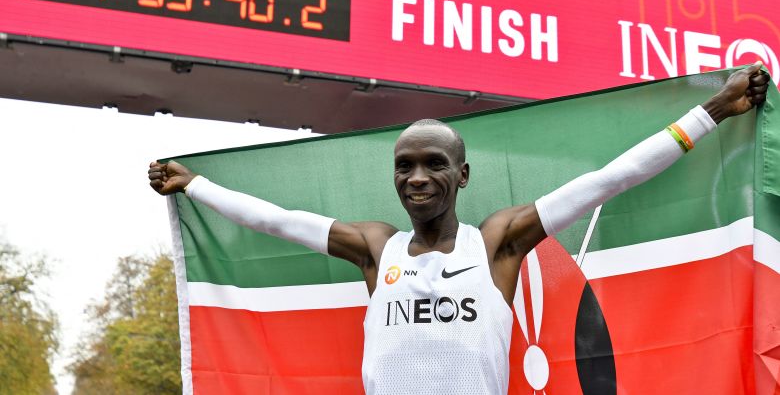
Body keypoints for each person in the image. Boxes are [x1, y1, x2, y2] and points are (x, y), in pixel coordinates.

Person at [149, 64, 770, 394]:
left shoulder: (497, 241)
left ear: (463, 175)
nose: (416, 178)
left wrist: (714, 109)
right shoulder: (375, 247)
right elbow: (277, 221)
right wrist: (194, 186)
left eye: (433, 164)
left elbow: (610, 179)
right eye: (404, 167)